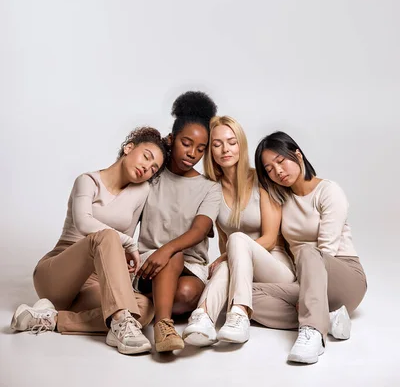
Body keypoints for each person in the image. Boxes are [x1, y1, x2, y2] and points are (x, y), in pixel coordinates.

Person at [11, 127, 168, 355]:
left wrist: (124, 267)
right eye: (146, 157)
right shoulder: (87, 180)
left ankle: (50, 319)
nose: (147, 168)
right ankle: (119, 322)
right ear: (129, 148)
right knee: (106, 236)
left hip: (95, 281)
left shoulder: (141, 191)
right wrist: (127, 243)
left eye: (154, 168)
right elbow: (84, 223)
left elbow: (124, 242)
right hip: (57, 274)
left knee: (143, 309)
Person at [251, 131, 367, 364]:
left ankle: (313, 331)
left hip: (344, 278)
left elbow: (326, 251)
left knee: (307, 251)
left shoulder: (328, 191)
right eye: (269, 170)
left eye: (280, 161)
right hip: (307, 285)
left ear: (298, 155)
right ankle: (328, 318)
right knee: (245, 294)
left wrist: (304, 290)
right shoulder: (281, 199)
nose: (278, 172)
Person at [183, 116, 295, 347]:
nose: (225, 149)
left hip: (275, 266)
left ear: (241, 145)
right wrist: (225, 259)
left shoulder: (261, 179)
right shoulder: (212, 189)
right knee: (225, 263)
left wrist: (226, 256)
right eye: (217, 144)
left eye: (231, 142)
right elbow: (223, 240)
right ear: (210, 151)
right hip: (242, 270)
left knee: (232, 247)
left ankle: (239, 315)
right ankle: (203, 318)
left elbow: (271, 238)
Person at [135, 91, 221, 353]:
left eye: (200, 149)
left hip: (189, 267)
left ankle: (141, 308)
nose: (192, 153)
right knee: (171, 262)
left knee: (183, 287)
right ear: (171, 139)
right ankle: (164, 325)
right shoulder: (152, 176)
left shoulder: (209, 188)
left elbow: (200, 229)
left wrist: (167, 249)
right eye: (186, 143)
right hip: (148, 265)